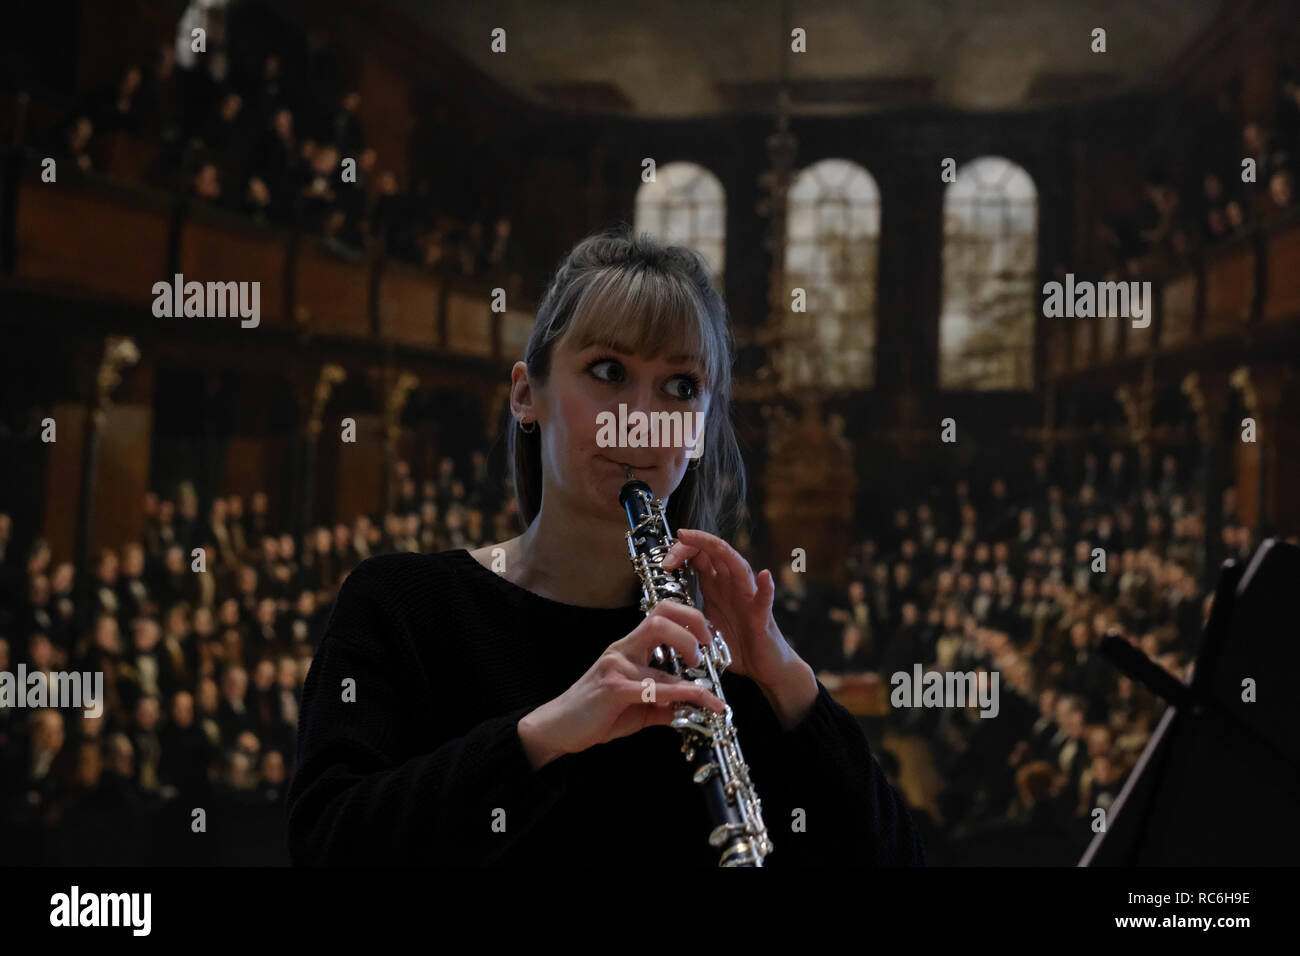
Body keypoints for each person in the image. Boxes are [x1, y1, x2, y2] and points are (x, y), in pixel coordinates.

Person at [286, 226, 925, 866]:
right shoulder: (400, 607)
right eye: (609, 371)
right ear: (525, 394)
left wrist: (787, 682)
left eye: (681, 387)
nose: (640, 419)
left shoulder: (721, 658)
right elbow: (325, 845)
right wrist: (542, 735)